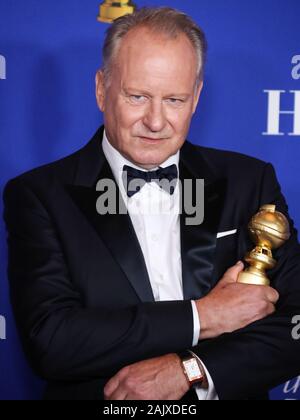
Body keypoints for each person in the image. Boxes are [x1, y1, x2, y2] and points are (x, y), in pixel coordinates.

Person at [3, 7, 300, 401]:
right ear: (100, 89)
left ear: (195, 98)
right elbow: (53, 340)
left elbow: (295, 321)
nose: (156, 121)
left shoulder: (249, 181)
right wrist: (202, 317)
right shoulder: (39, 195)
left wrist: (191, 371)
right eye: (137, 96)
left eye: (174, 99)